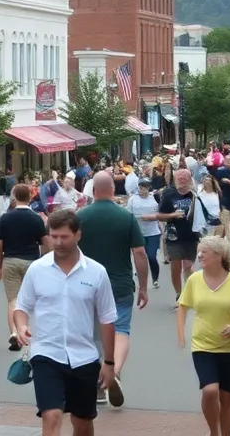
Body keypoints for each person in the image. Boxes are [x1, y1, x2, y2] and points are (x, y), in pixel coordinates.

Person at [14, 208, 115, 436]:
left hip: (84, 357)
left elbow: (107, 319)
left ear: (78, 235)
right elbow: (21, 307)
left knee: (82, 423)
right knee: (51, 415)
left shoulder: (97, 272)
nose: (58, 242)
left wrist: (109, 363)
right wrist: (21, 325)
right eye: (54, 236)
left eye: (64, 237)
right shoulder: (37, 269)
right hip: (46, 354)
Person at [76, 171, 148, 408]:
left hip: (86, 284)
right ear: (113, 190)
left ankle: (98, 383)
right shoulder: (126, 217)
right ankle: (113, 372)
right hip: (119, 284)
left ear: (94, 190)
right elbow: (139, 253)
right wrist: (144, 286)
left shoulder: (80, 217)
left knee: (93, 334)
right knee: (121, 329)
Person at [176, 235, 230, 436]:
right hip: (203, 346)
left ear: (219, 256)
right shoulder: (194, 279)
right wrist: (181, 334)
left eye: (204, 252)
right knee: (210, 390)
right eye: (199, 251)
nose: (199, 255)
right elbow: (183, 306)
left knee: (227, 397)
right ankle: (214, 431)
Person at [0, 184, 50, 352]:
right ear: (30, 197)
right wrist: (45, 259)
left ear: (14, 197)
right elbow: (45, 242)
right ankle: (31, 332)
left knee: (13, 299)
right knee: (33, 300)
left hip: (11, 260)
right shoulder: (36, 219)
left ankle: (14, 332)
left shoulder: (5, 218)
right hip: (31, 262)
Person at [158, 169, 199, 299]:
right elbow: (160, 216)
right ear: (175, 180)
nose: (182, 181)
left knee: (188, 267)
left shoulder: (195, 194)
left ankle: (189, 293)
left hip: (192, 235)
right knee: (175, 267)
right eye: (179, 179)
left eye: (185, 179)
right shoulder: (169, 194)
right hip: (173, 236)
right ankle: (179, 294)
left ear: (190, 180)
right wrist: (173, 215)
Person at [126, 179, 162, 288]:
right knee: (139, 256)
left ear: (148, 188)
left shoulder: (154, 198)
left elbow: (161, 213)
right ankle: (141, 277)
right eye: (140, 186)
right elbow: (128, 214)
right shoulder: (133, 199)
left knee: (151, 256)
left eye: (144, 187)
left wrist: (152, 217)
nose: (142, 189)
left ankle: (155, 278)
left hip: (153, 232)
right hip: (138, 233)